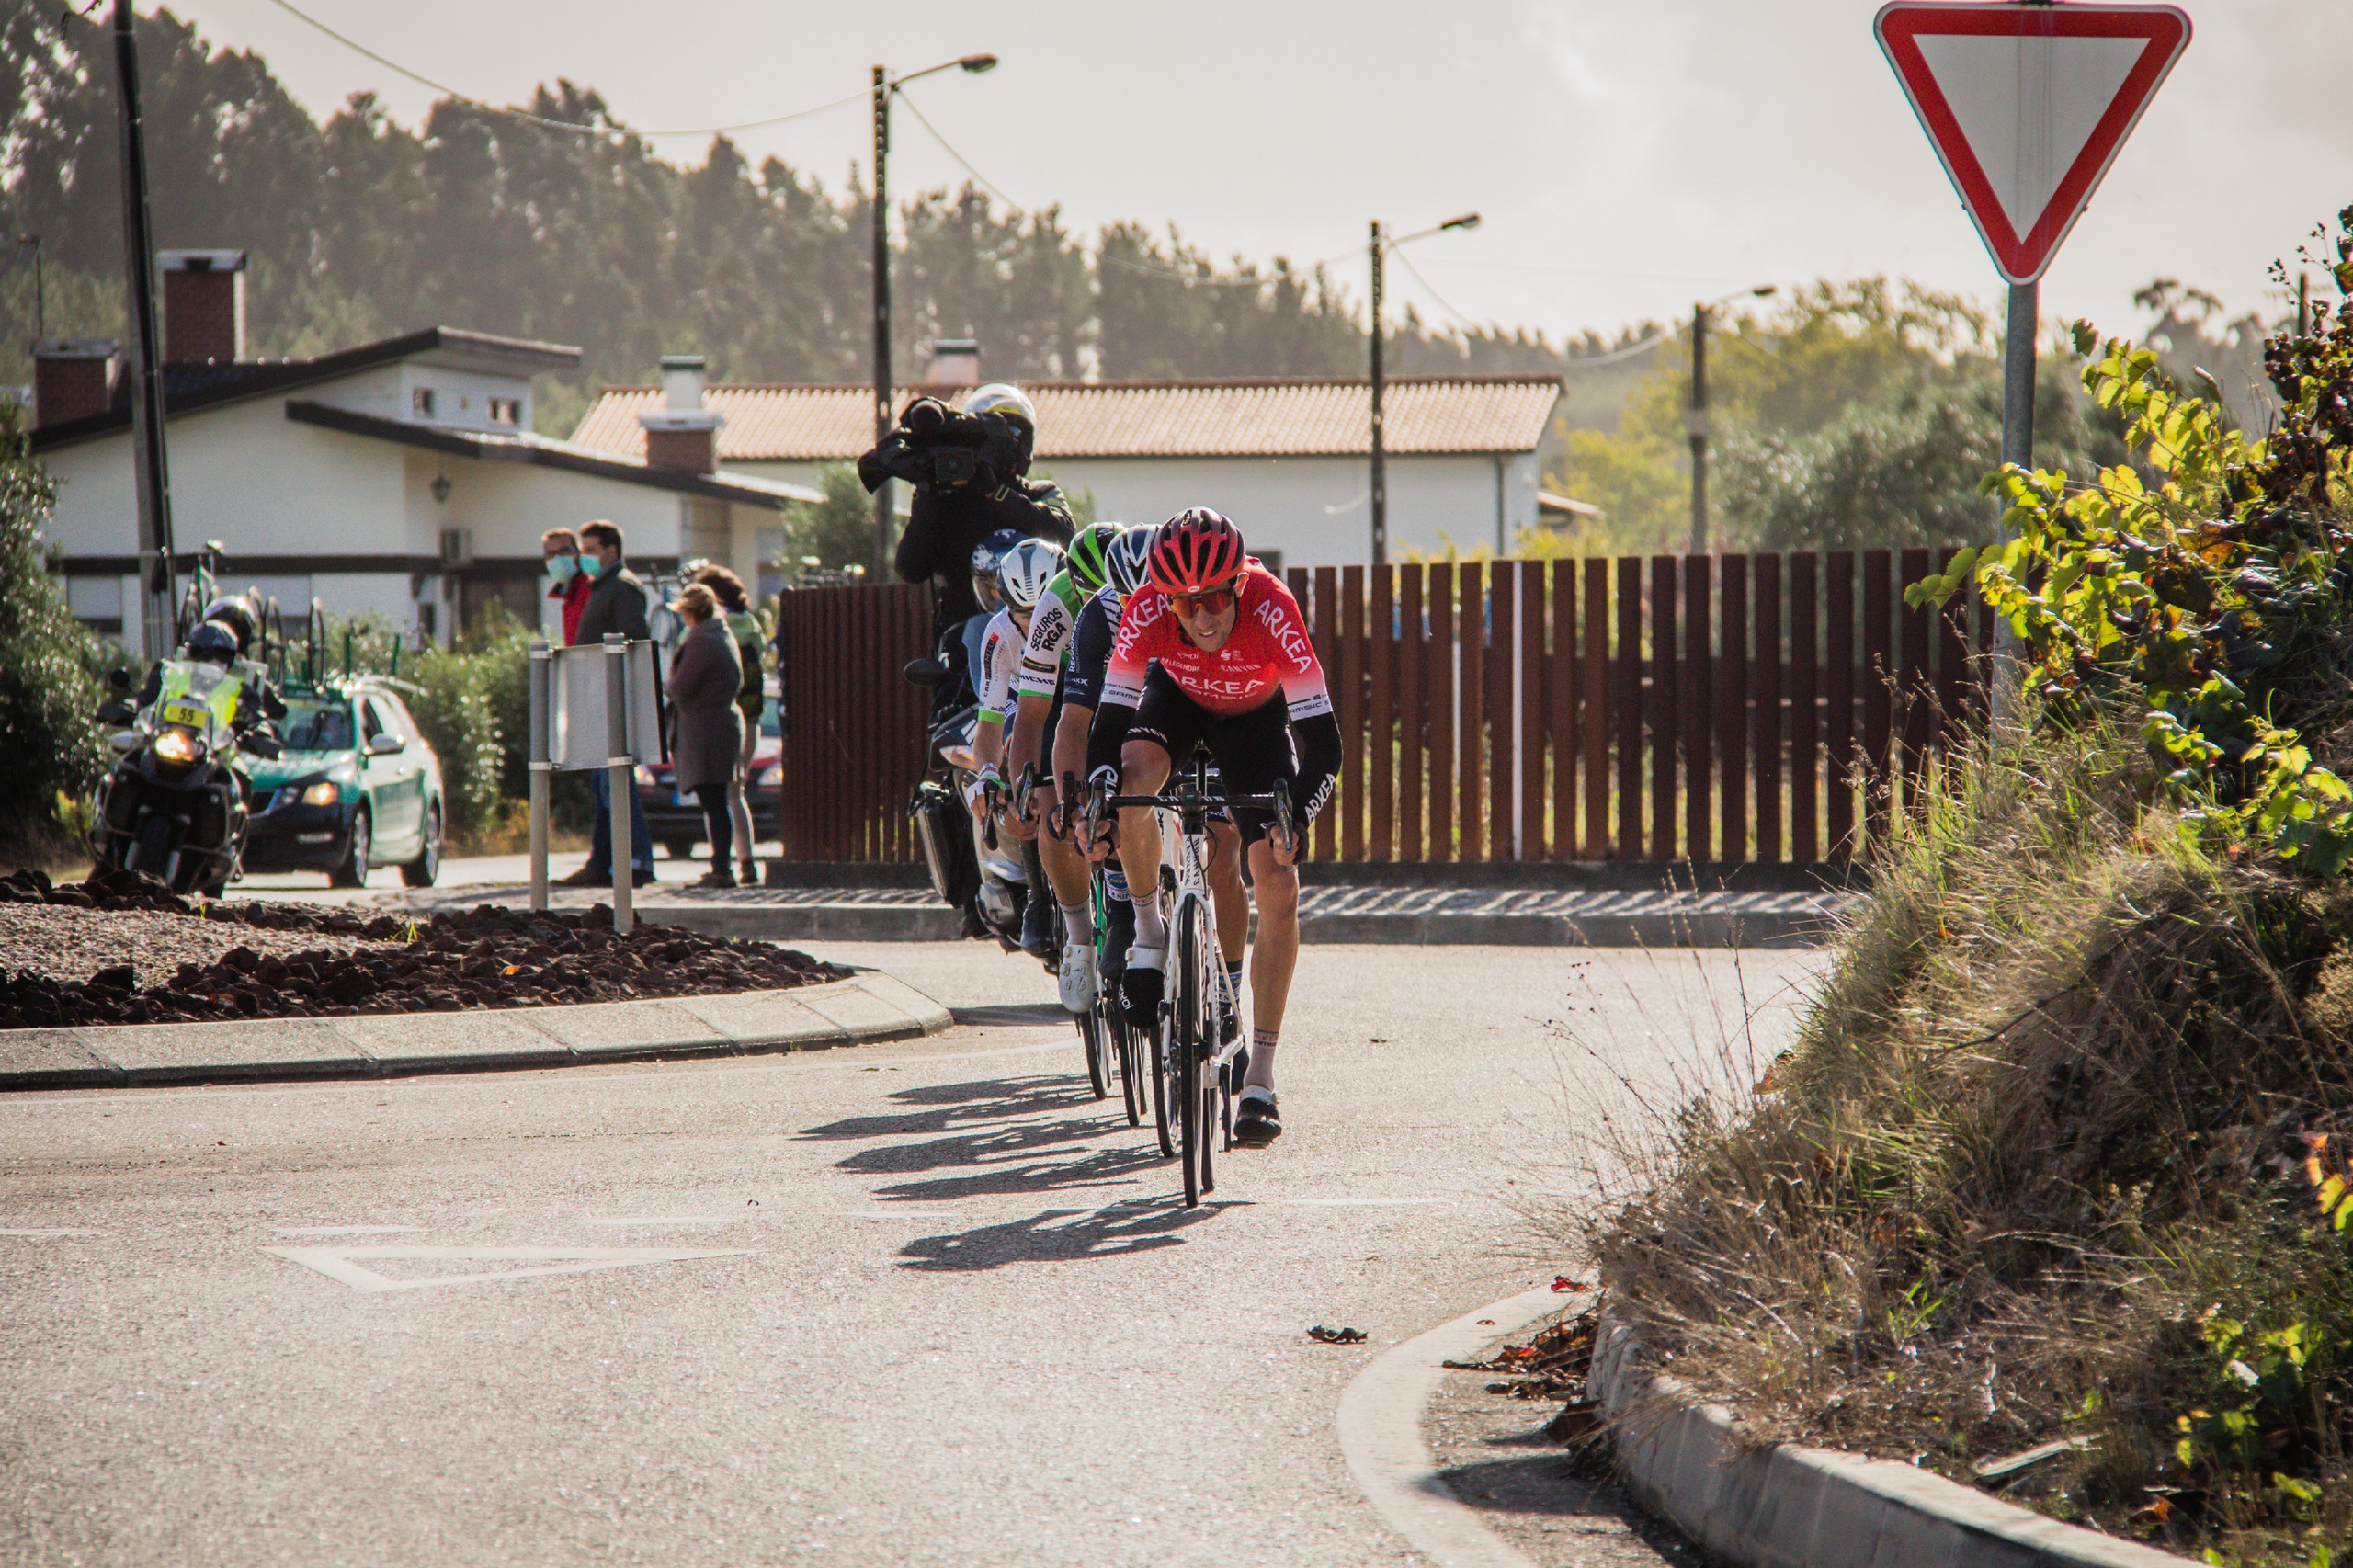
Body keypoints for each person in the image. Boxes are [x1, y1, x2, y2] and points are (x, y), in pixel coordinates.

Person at [1083, 509, 1342, 1148]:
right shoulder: (1146, 606)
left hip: (1255, 723)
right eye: (1187, 604)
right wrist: (1101, 803)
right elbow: (1109, 722)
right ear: (1165, 599)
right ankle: (1149, 932)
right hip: (1176, 705)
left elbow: (1324, 745)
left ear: (1239, 585)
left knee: (1277, 881)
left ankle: (1260, 1078)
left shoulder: (1272, 606)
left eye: (1217, 600)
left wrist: (1297, 817)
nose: (1202, 618)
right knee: (1132, 775)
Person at [1000, 521, 1124, 1009]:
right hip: (1063, 694)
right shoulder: (1055, 606)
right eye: (1089, 594)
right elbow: (1031, 714)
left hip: (1126, 686)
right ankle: (1077, 936)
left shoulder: (1146, 592)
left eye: (1109, 593)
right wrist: (1023, 792)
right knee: (1053, 802)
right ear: (1074, 586)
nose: (1100, 605)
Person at [888, 383, 1074, 645]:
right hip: (961, 643)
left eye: (1015, 433)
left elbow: (1065, 536)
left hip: (1039, 638)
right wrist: (928, 494)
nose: (1006, 443)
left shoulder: (1040, 492)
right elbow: (910, 568)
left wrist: (996, 492)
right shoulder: (946, 499)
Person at [963, 537, 1063, 959]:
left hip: (1072, 694)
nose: (1035, 627)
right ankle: (1038, 893)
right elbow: (988, 719)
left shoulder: (1085, 615)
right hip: (1022, 700)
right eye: (1024, 616)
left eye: (1043, 613)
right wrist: (988, 772)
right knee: (1019, 766)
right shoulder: (998, 632)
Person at [559, 519, 655, 888]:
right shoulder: (602, 587)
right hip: (598, 699)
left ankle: (637, 861)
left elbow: (633, 645)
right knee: (603, 785)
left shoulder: (622, 588)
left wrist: (619, 696)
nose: (583, 558)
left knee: (615, 783)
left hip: (612, 701)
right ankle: (601, 862)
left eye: (590, 550)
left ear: (611, 551)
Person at [664, 583, 745, 889]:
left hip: (705, 729)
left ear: (691, 612)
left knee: (714, 801)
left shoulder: (701, 640)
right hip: (720, 725)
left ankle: (721, 868)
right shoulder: (721, 634)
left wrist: (667, 684)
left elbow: (681, 687)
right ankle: (721, 866)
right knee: (718, 799)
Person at [696, 563, 766, 887]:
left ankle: (720, 864)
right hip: (750, 719)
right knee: (736, 793)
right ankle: (746, 861)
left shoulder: (708, 631)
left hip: (717, 721)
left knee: (715, 796)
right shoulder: (751, 627)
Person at [541, 528, 593, 645]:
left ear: (579, 553)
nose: (557, 558)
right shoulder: (568, 593)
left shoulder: (590, 589)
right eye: (551, 554)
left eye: (564, 551)